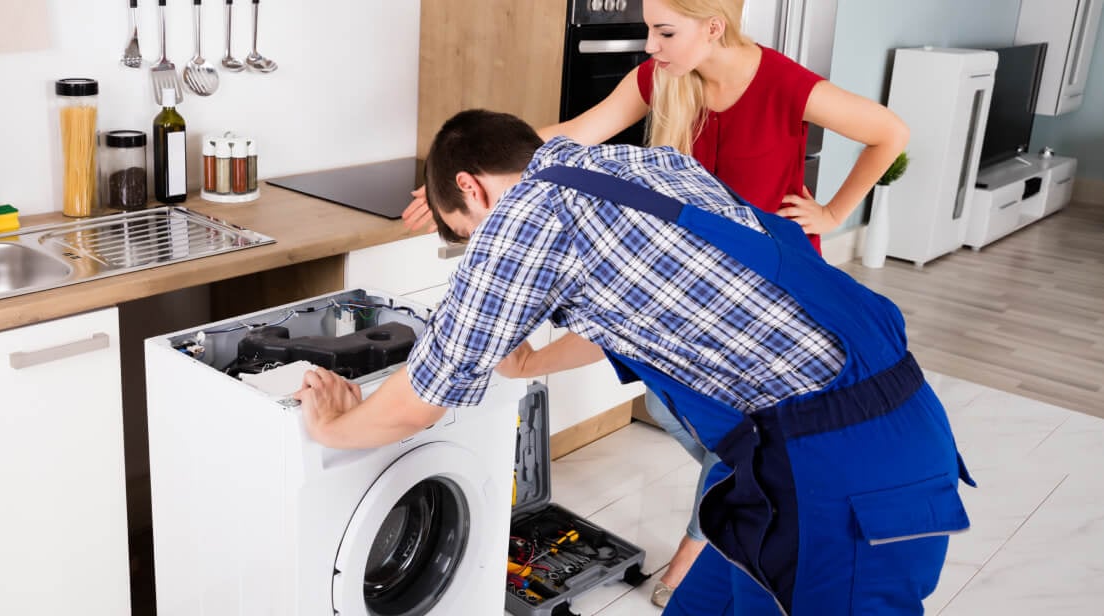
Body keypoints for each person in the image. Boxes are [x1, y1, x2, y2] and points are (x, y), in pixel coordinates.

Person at [298, 109, 972, 615]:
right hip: (841, 441)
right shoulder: (641, 165)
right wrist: (529, 365)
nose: (482, 250)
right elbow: (654, 302)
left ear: (472, 190)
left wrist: (331, 428)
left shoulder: (522, 220)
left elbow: (424, 397)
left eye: (469, 234)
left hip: (842, 477)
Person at [400, 0, 910, 603]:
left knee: (739, 436)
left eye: (663, 31)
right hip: (677, 290)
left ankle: (703, 547)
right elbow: (567, 136)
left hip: (760, 295)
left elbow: (890, 134)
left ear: (712, 27)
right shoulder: (660, 77)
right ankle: (736, 514)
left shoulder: (781, 83)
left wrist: (831, 212)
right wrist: (465, 171)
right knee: (690, 419)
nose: (649, 45)